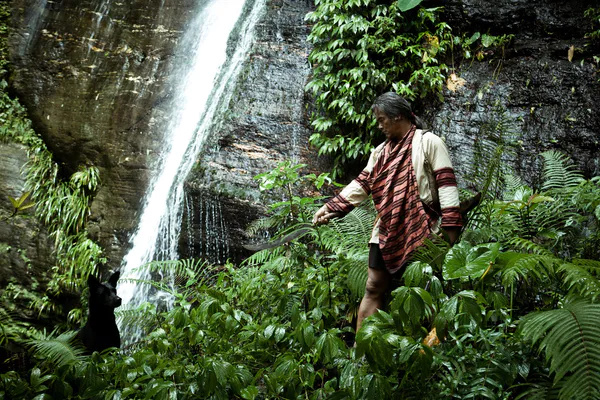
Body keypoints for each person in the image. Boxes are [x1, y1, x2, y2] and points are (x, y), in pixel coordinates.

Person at [312, 92, 463, 334]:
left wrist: (450, 231)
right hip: (385, 228)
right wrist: (331, 207)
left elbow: (446, 185)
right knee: (373, 287)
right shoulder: (380, 152)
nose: (379, 125)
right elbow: (362, 184)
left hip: (421, 228)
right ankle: (361, 348)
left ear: (398, 116)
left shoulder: (429, 142)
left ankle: (417, 346)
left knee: (421, 288)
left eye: (382, 120)